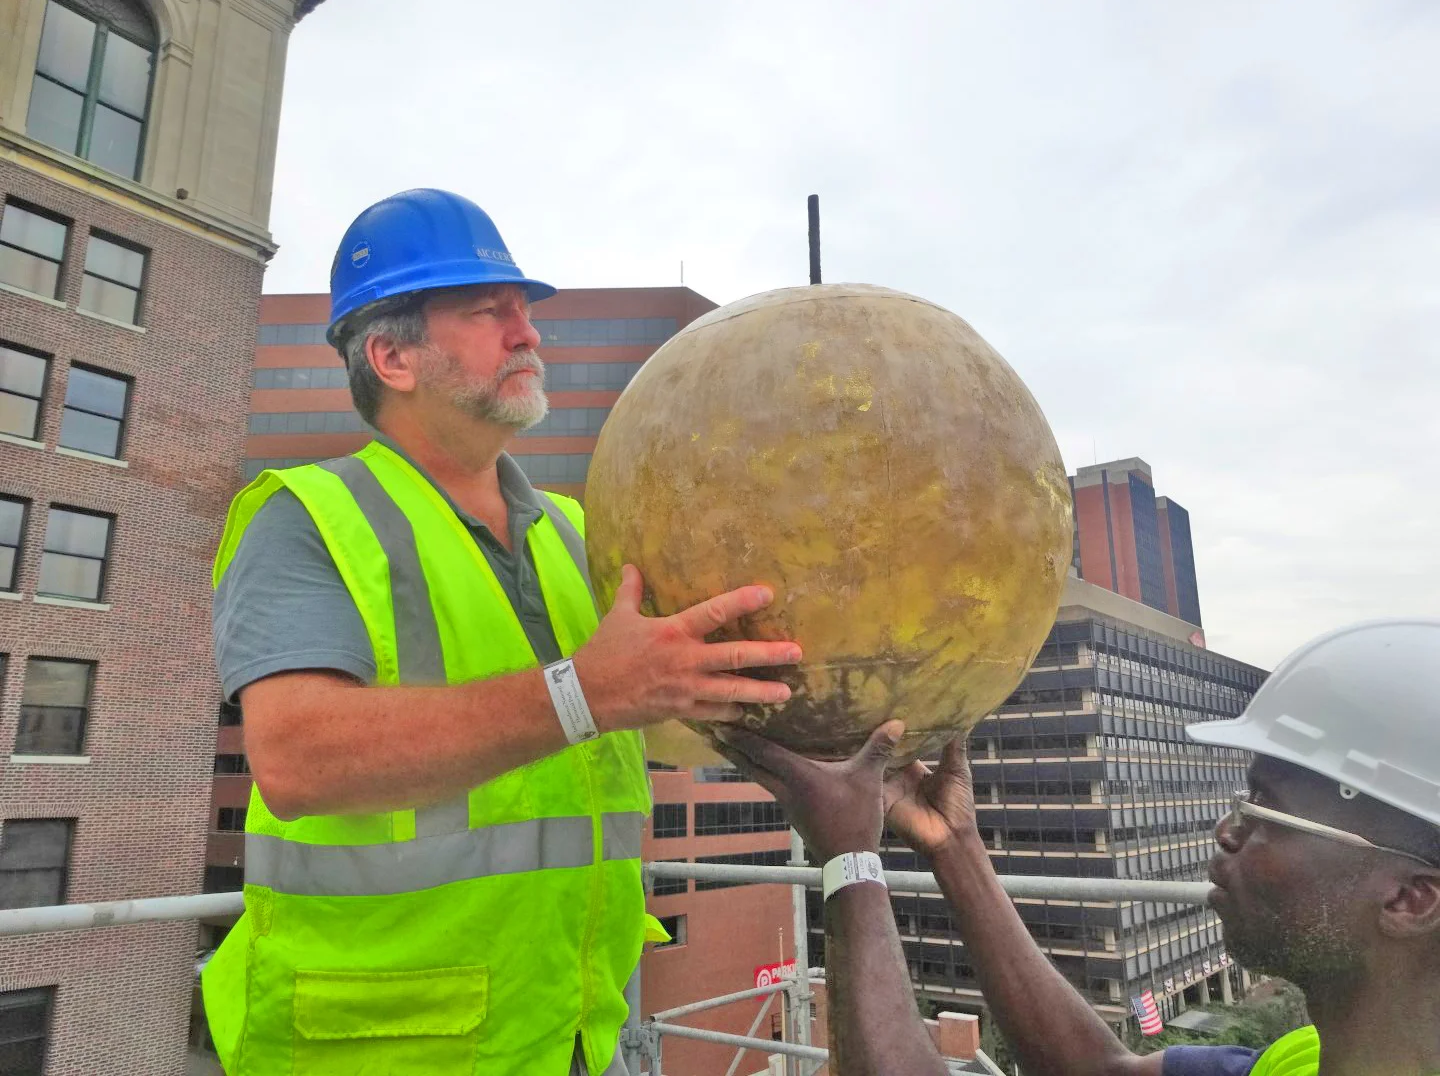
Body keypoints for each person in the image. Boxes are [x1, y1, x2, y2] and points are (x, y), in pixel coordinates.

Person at [200, 188, 802, 1075]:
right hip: (379, 1046)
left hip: (574, 1030)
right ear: (391, 356)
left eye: (526, 313)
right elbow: (298, 761)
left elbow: (658, 712)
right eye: (490, 313)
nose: (529, 335)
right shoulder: (306, 517)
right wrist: (587, 691)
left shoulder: (573, 533)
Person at [714, 618, 1440, 1076]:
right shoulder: (1298, 1061)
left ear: (1411, 898)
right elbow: (1097, 1070)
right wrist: (955, 846)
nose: (1228, 830)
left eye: (1268, 814)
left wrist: (850, 859)